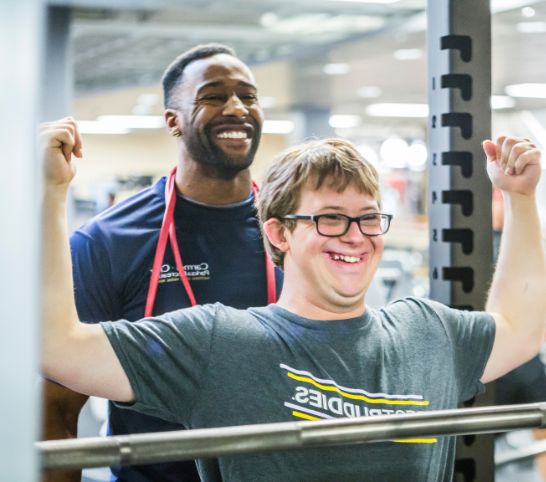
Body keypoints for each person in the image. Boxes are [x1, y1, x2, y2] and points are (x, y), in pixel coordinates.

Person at [40, 128, 545, 481]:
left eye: (368, 218)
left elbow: (521, 327)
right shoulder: (218, 343)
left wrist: (520, 198)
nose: (355, 236)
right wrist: (48, 195)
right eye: (329, 218)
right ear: (279, 232)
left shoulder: (428, 333)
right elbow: (57, 346)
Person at [41, 43, 281, 482]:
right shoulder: (107, 242)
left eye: (249, 96)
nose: (236, 108)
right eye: (213, 96)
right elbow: (57, 405)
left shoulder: (295, 231)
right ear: (173, 120)